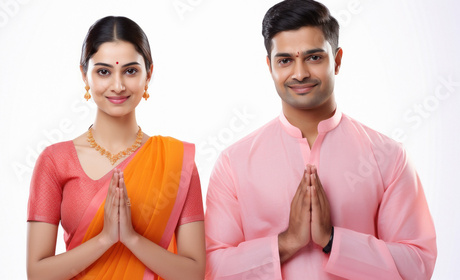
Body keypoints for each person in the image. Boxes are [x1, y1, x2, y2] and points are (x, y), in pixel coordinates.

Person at [204, 0, 437, 279]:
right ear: (270, 66)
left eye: (314, 57)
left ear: (337, 61)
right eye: (285, 60)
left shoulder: (389, 156)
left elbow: (418, 264)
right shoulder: (234, 162)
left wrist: (332, 240)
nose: (300, 73)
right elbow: (212, 267)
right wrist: (286, 243)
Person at [26, 16, 205, 280]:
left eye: (130, 71)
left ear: (149, 74)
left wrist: (131, 239)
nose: (118, 86)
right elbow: (37, 274)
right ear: (84, 74)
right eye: (103, 71)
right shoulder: (55, 161)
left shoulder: (177, 162)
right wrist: (105, 239)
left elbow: (193, 273)